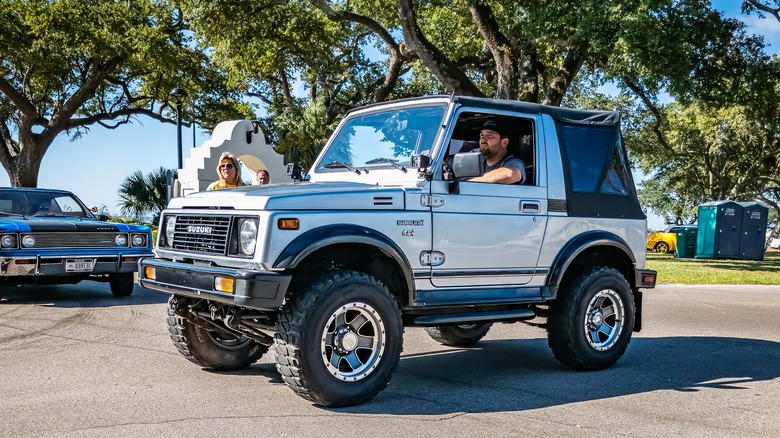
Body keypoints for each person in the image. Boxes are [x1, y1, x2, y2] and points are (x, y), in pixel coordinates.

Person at [468, 119, 526, 185]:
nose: (483, 139)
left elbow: (510, 174)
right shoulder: (476, 160)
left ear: (504, 142)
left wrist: (469, 183)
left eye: (489, 135)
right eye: (481, 135)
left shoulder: (514, 162)